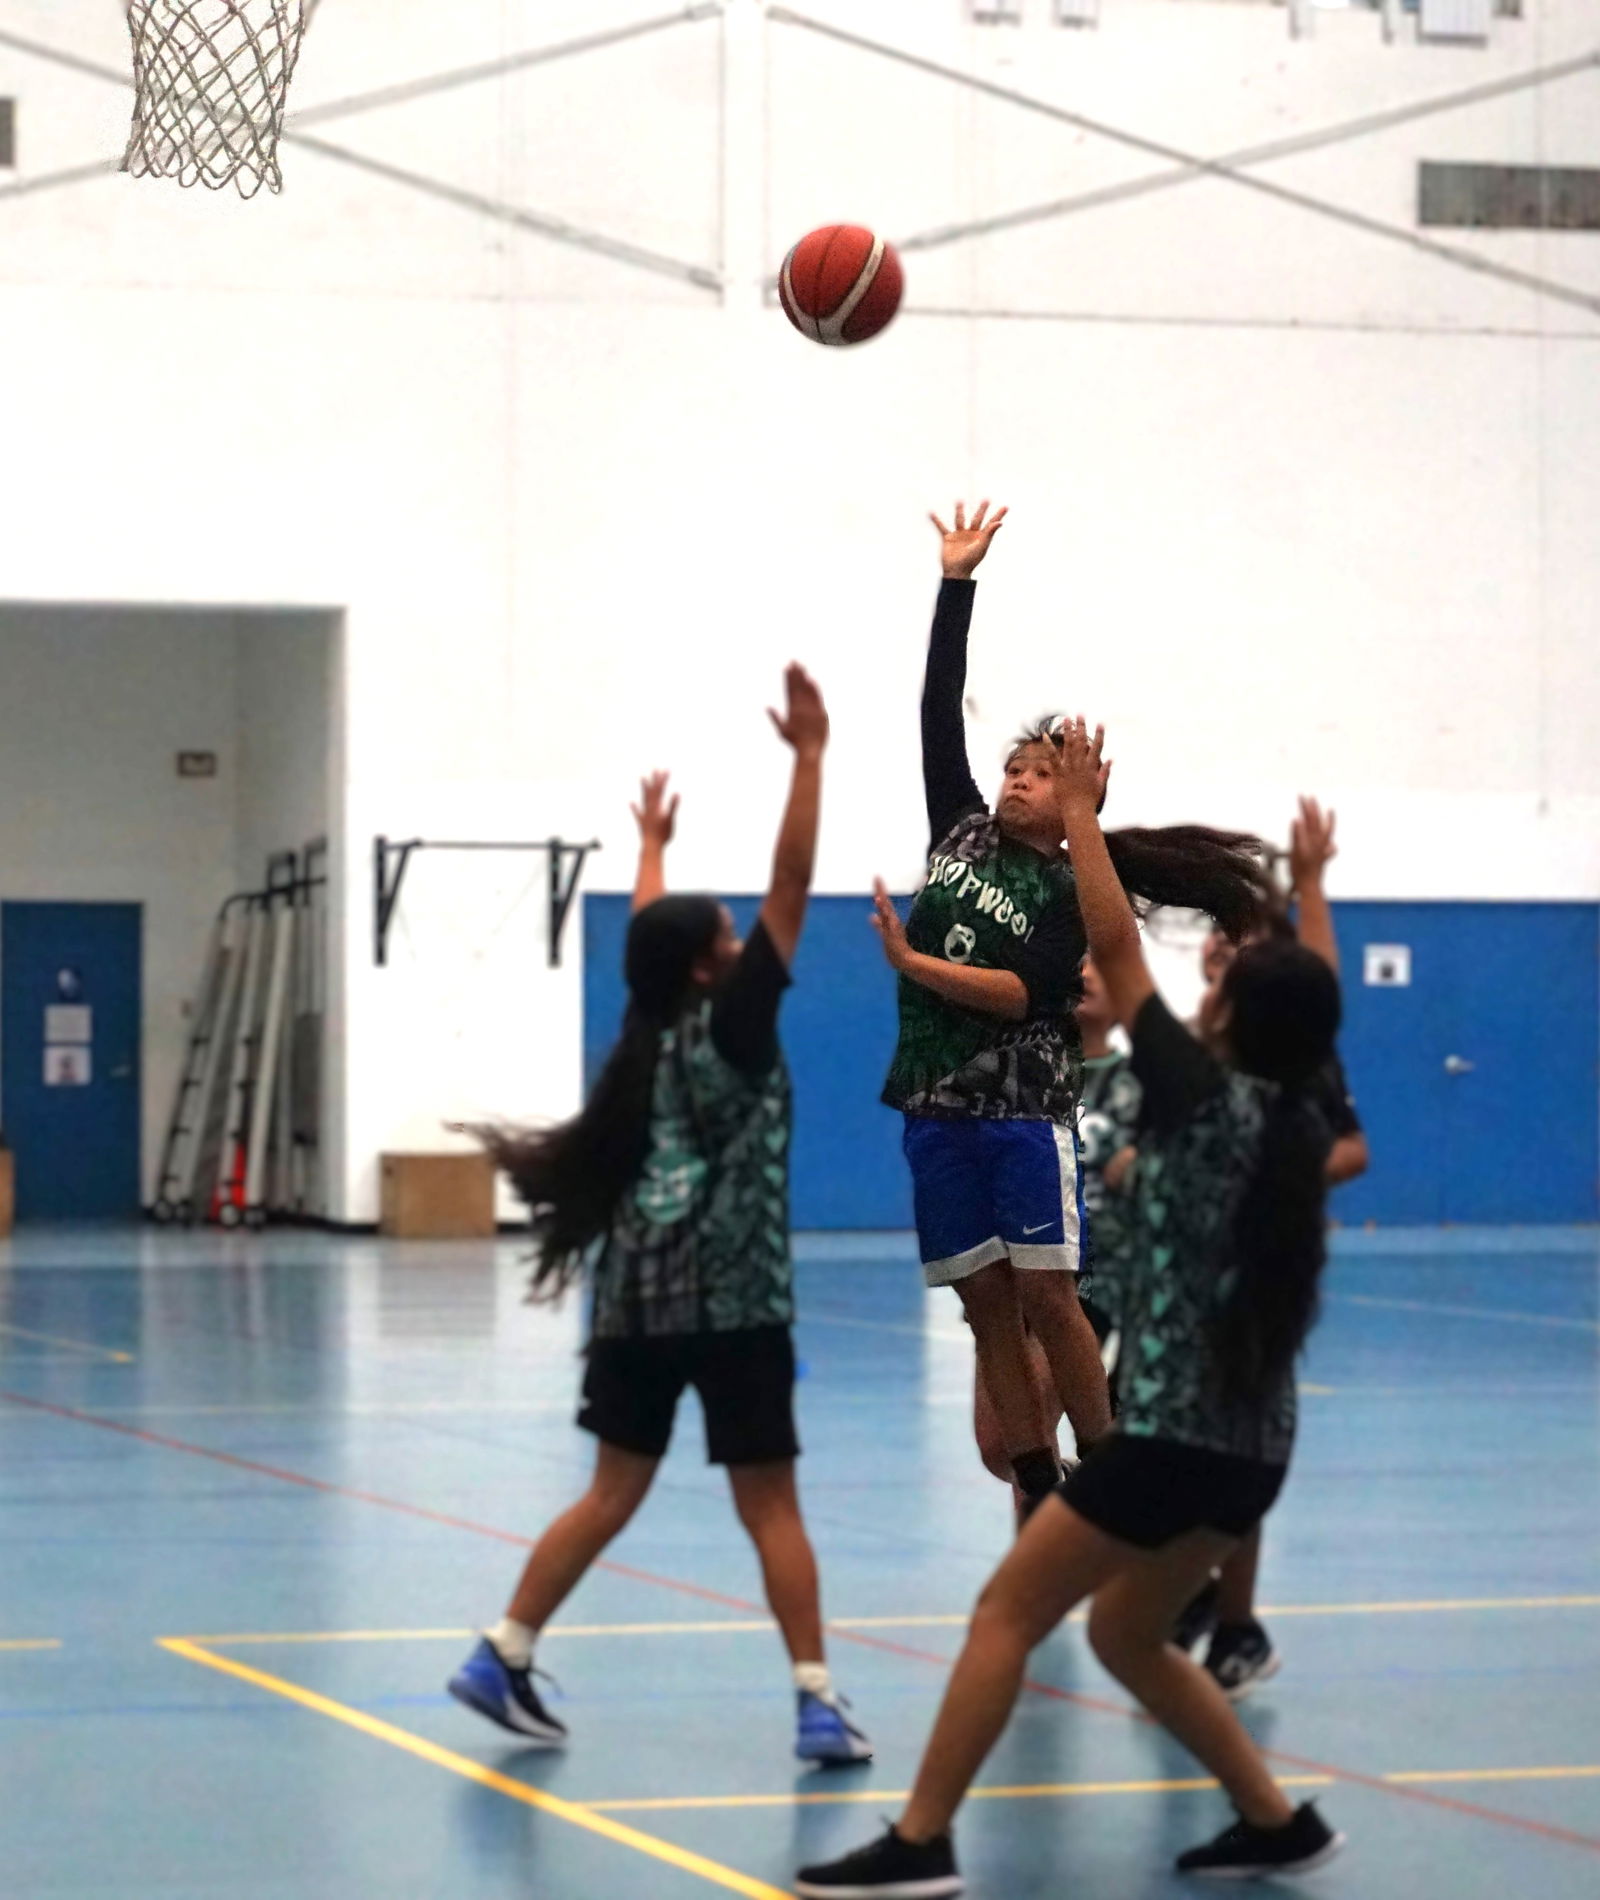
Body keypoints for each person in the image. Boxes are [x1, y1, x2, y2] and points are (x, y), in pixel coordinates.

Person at [798, 718, 1346, 1895]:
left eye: (1231, 983)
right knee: (1121, 1634)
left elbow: (1110, 940)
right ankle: (1273, 1818)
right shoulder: (1298, 1115)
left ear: (1238, 1022)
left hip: (1170, 1438)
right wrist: (1308, 896)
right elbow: (1317, 1009)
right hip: (1259, 1448)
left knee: (1005, 1612)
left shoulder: (1202, 1103)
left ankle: (920, 1842)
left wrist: (1088, 816)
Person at [447, 666, 871, 1767]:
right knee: (770, 1508)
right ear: (708, 968)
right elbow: (789, 881)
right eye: (725, 940)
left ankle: (506, 1645)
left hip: (636, 1302)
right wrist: (810, 760)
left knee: (608, 1494)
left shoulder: (641, 1038)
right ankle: (816, 1698)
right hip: (736, 1308)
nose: (745, 945)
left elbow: (652, 936)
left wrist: (650, 849)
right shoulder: (732, 1034)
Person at [874, 502, 1276, 1519]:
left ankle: (1107, 1465)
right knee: (984, 1311)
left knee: (1047, 1296)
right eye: (1011, 767)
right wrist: (954, 584)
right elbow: (934, 707)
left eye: (1039, 773)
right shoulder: (956, 832)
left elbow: (1020, 997)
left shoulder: (1064, 887)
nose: (1014, 781)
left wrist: (911, 964)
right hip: (934, 1108)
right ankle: (1037, 1477)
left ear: (1074, 802)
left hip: (1018, 1110)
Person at [1180, 796, 1370, 1694]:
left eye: (1245, 939)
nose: (1226, 948)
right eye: (1221, 939)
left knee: (1235, 1441)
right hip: (1177, 1284)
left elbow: (1351, 1147)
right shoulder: (1196, 1051)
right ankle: (1194, 1594)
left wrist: (1283, 1175)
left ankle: (1237, 1621)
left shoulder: (1293, 1065)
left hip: (1255, 1276)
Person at [970, 959, 1140, 1513]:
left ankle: (1086, 1551)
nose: (1088, 971)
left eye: (1100, 963)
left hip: (1101, 1280)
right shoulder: (1020, 1073)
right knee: (1004, 1448)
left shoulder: (1147, 1082)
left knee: (1039, 1434)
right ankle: (1061, 1510)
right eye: (1076, 961)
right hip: (1016, 1265)